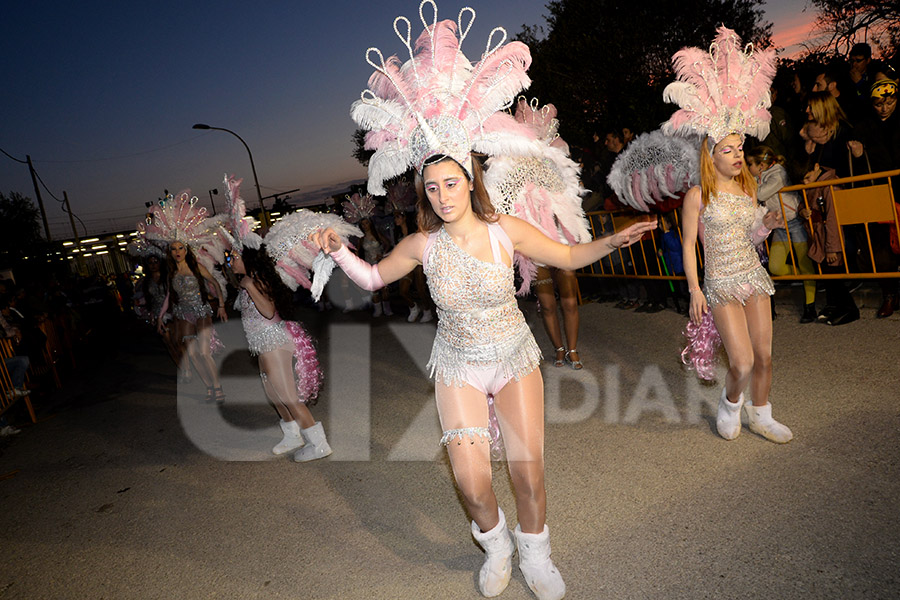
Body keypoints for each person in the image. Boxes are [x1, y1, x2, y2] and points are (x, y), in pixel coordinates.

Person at [333, 11, 657, 599]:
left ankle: (538, 554)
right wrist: (338, 253)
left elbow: (566, 257)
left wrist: (612, 240)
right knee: (472, 482)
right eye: (432, 187)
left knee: (527, 472)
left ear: (470, 179)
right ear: (424, 192)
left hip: (512, 355)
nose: (442, 194)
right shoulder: (420, 245)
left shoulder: (504, 228)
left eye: (451, 183)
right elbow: (376, 279)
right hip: (457, 364)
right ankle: (497, 543)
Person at [665, 26, 793, 444]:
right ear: (711, 154)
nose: (739, 156)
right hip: (719, 283)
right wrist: (694, 288)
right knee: (739, 362)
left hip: (752, 276)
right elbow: (688, 245)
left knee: (765, 357)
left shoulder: (748, 187)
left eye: (741, 148)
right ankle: (730, 402)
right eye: (729, 150)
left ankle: (762, 414)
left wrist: (766, 226)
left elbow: (752, 235)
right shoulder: (697, 196)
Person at [229, 247, 330, 460]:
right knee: (274, 395)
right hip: (263, 344)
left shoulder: (257, 282)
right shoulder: (248, 281)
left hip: (274, 342)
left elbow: (267, 311)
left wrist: (249, 285)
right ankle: (293, 436)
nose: (231, 260)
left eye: (235, 257)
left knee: (289, 397)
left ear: (248, 260)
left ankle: (319, 444)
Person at [746, 145, 817, 322]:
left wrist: (749, 184)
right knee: (775, 267)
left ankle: (810, 307)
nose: (747, 168)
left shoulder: (779, 174)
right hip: (779, 225)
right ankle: (806, 276)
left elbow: (760, 194)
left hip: (795, 222)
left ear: (760, 166)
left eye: (750, 164)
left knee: (804, 263)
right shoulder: (759, 176)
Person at [158, 240, 227, 403]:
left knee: (204, 352)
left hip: (201, 312)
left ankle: (218, 387)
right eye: (174, 249)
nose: (177, 252)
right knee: (193, 354)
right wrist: (160, 316)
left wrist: (221, 305)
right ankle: (209, 387)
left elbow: (215, 283)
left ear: (186, 250)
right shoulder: (171, 273)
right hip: (184, 315)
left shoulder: (196, 267)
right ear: (170, 252)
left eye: (181, 248)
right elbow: (169, 296)